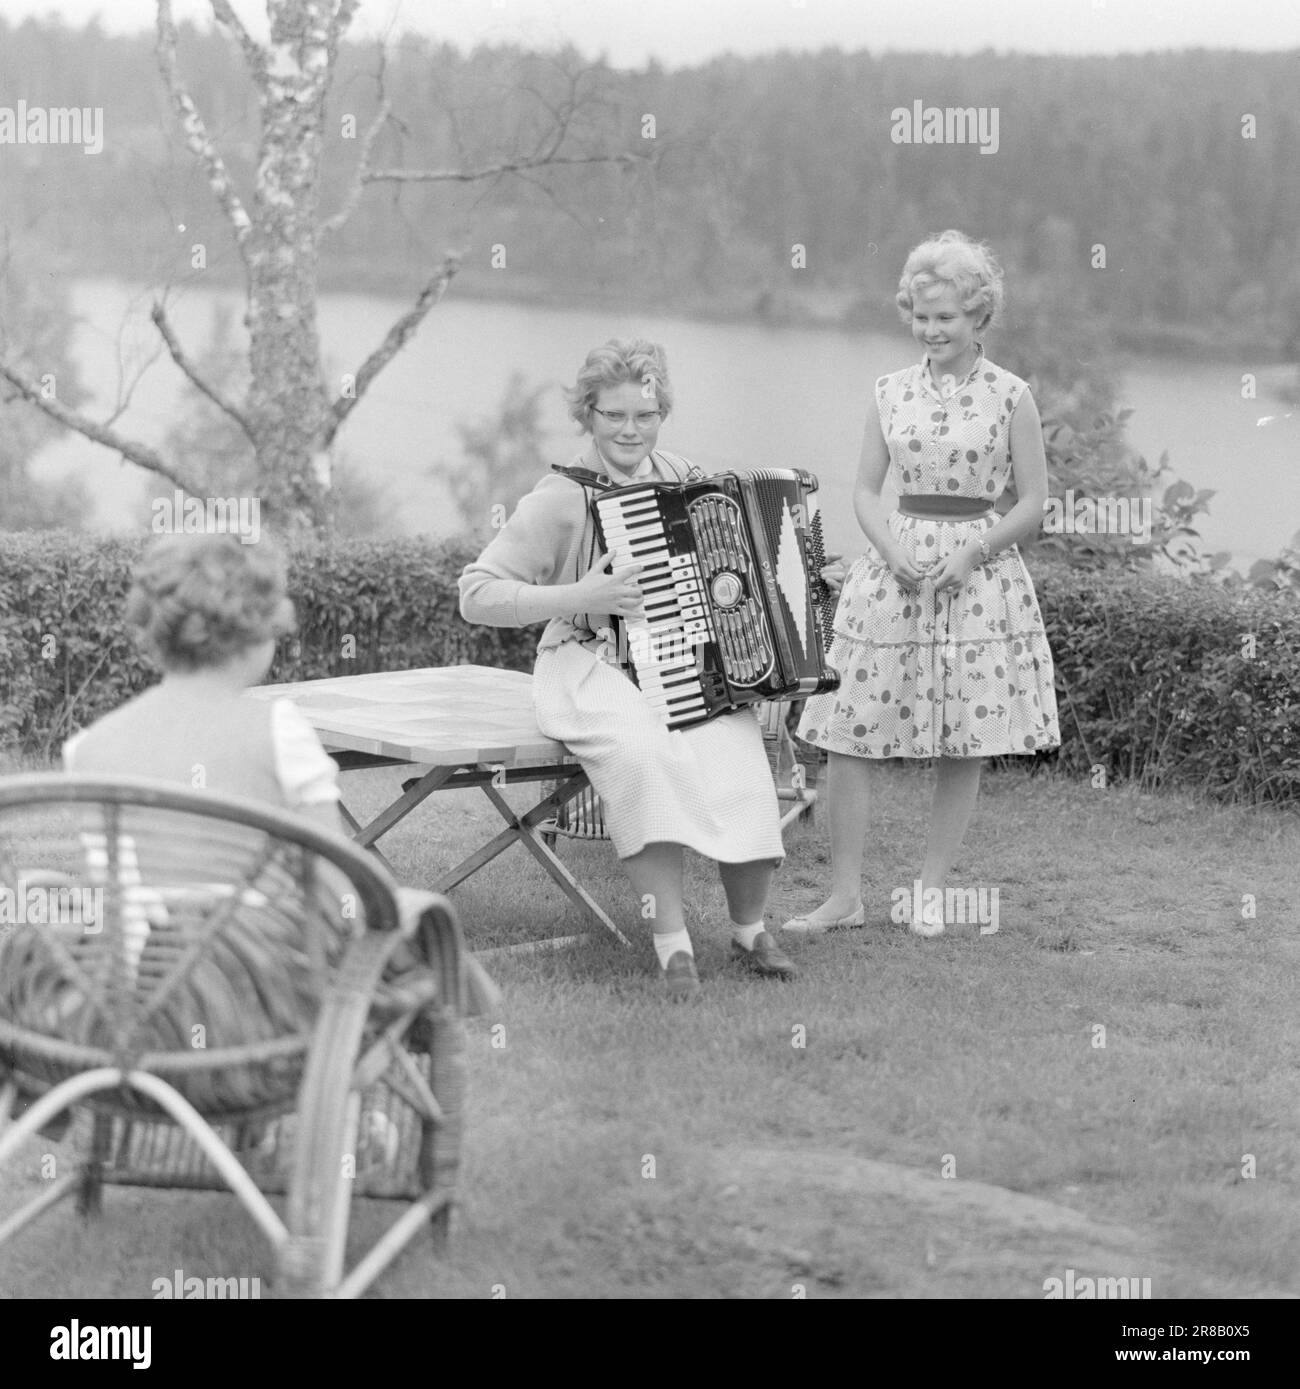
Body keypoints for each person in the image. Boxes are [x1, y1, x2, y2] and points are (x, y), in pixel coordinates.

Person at [458, 338, 796, 1000]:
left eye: (644, 415)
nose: (630, 430)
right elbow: (476, 593)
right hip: (586, 661)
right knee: (646, 758)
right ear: (588, 414)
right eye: (613, 415)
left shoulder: (682, 474)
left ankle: (750, 928)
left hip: (676, 659)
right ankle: (672, 945)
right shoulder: (561, 497)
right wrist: (581, 596)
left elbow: (723, 572)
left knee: (739, 754)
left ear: (661, 412)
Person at [63, 531, 499, 1008]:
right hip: (265, 1005)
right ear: (256, 633)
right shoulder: (278, 730)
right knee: (422, 938)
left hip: (138, 1005)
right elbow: (335, 885)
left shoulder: (89, 748)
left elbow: (109, 902)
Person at [785, 230, 1061, 938]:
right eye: (920, 314)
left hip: (976, 575)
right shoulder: (888, 391)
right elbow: (866, 493)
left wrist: (976, 551)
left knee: (962, 737)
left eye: (946, 317)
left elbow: (1032, 502)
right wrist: (888, 549)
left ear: (978, 318)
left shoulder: (1012, 396)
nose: (930, 329)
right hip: (894, 571)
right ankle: (843, 896)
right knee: (848, 730)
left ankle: (930, 890)